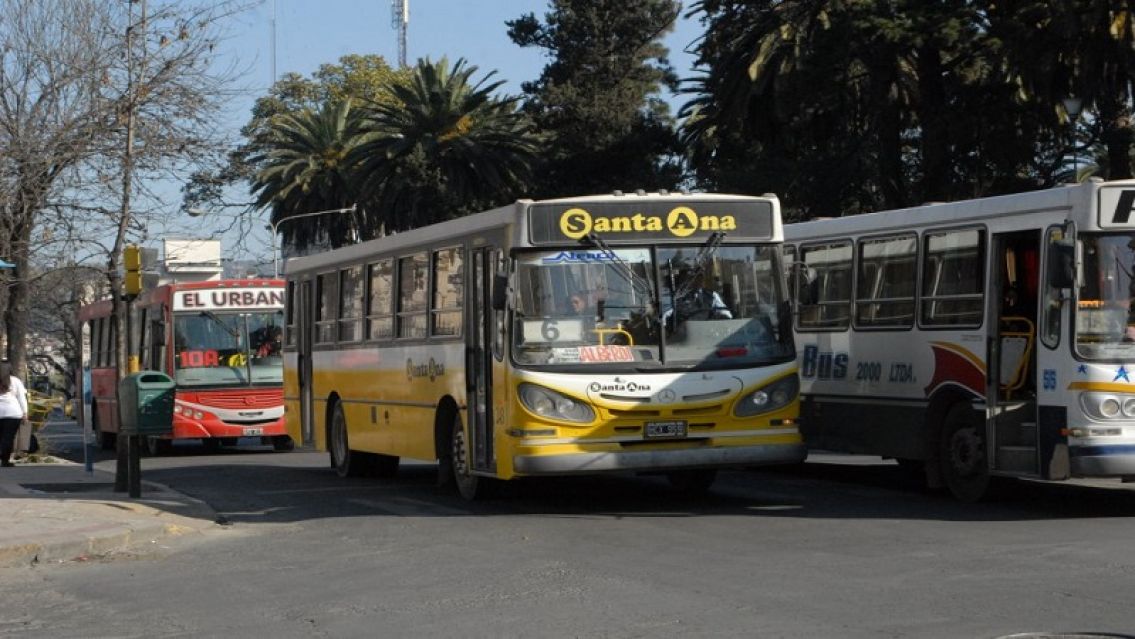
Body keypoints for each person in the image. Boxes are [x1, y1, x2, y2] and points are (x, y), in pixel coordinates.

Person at [0, 360, 29, 468]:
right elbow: (21, 398)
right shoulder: (15, 381)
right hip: (13, 413)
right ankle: (5, 460)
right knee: (8, 437)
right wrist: (25, 413)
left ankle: (3, 456)